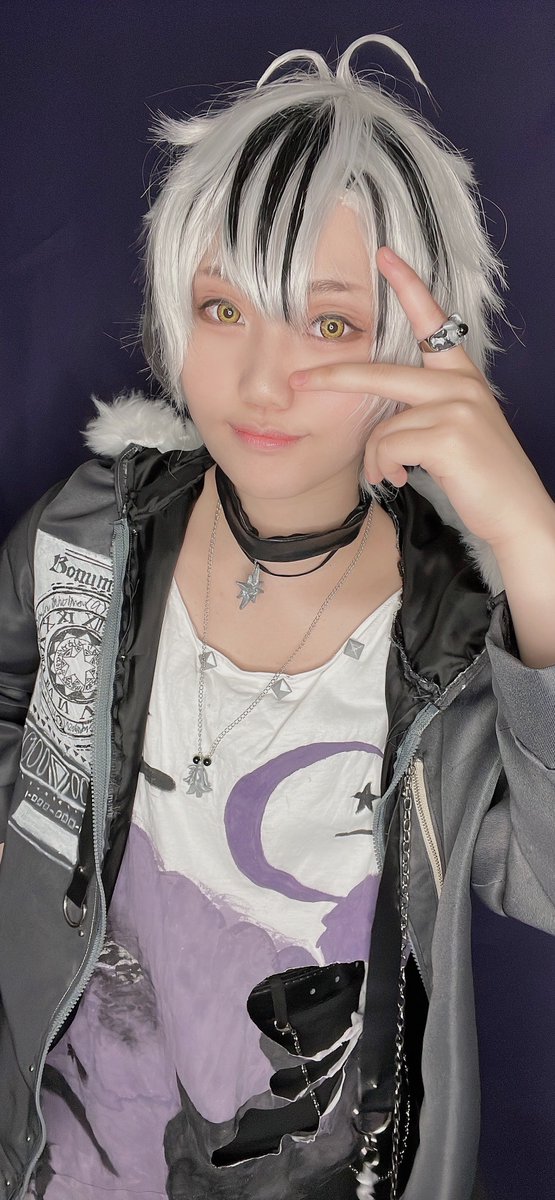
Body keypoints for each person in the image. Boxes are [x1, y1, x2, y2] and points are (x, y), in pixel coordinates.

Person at [0, 31, 554, 1200]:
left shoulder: (454, 638)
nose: (260, 380)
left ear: (415, 346)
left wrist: (533, 546)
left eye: (330, 324)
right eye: (223, 307)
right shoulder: (93, 529)